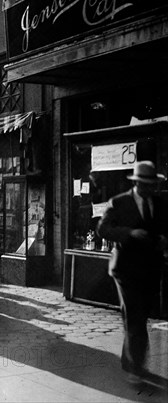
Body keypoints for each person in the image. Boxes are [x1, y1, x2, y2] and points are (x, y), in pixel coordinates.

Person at [97, 161, 168, 384]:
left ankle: (130, 361)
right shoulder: (119, 203)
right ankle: (136, 368)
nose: (149, 189)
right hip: (125, 270)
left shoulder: (160, 203)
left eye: (152, 185)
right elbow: (103, 230)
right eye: (145, 184)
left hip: (149, 269)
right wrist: (130, 232)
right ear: (136, 182)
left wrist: (165, 240)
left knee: (138, 317)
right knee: (135, 317)